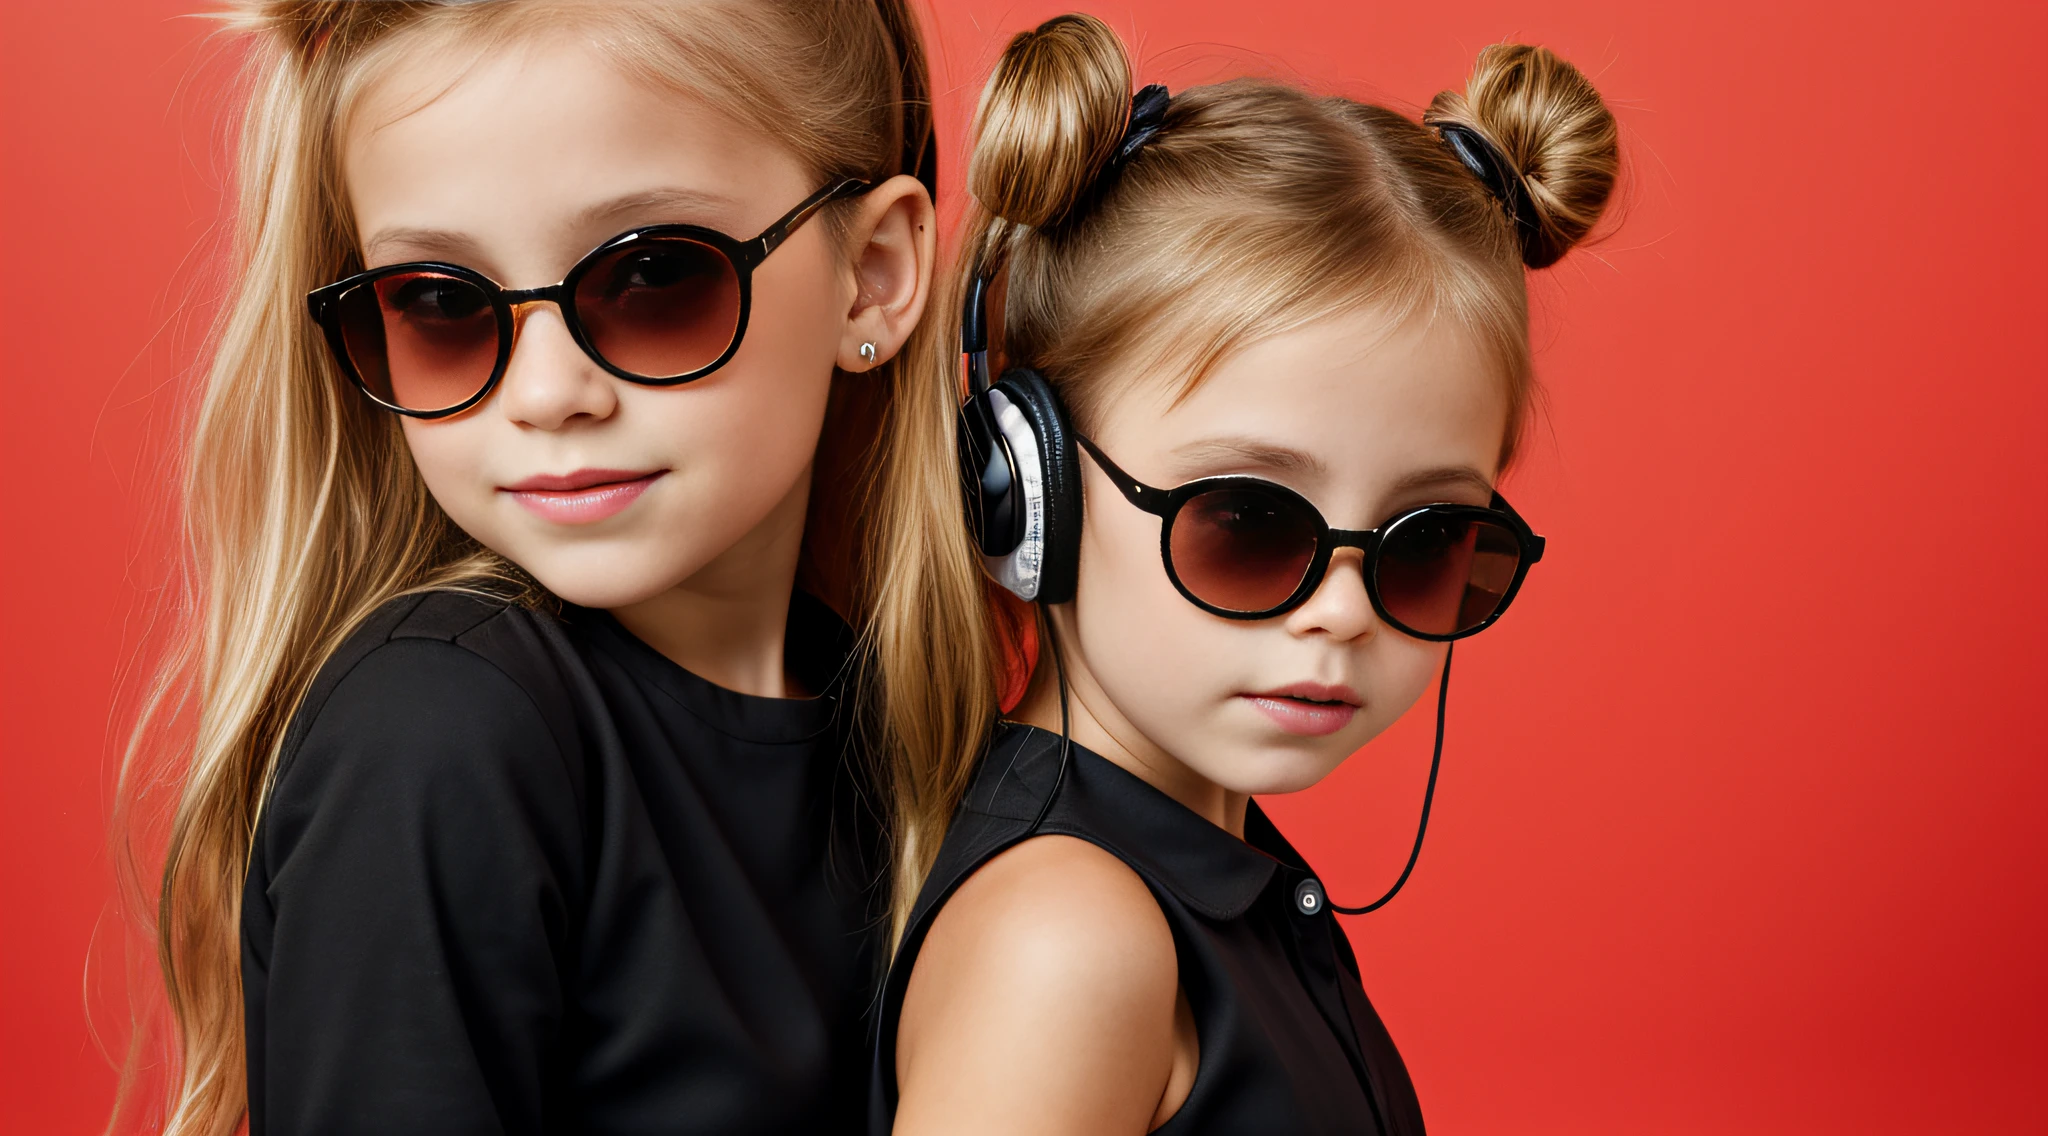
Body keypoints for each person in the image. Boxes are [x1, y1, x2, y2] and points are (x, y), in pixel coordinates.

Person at [115, 2, 1001, 1132]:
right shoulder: (438, 733)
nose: (545, 395)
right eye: (439, 303)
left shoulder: (905, 724)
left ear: (871, 274)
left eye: (650, 279)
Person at [873, 14, 1619, 1135]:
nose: (1341, 612)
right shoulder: (1068, 939)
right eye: (1246, 520)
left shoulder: (1203, 883)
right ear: (1024, 485)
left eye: (1422, 541)